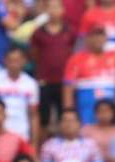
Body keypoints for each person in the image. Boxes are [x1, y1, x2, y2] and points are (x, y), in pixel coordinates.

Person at [29, 0, 75, 130]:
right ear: (46, 10)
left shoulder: (69, 31)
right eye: (51, 7)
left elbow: (72, 53)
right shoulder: (38, 33)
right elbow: (34, 55)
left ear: (62, 10)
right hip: (44, 80)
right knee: (44, 118)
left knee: (63, 116)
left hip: (64, 81)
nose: (54, 11)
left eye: (57, 7)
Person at [63, 25, 115, 126]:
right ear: (87, 39)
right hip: (86, 110)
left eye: (101, 35)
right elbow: (68, 89)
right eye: (94, 36)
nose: (98, 39)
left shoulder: (114, 58)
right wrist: (69, 113)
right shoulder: (76, 59)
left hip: (110, 112)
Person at [0, 45, 40, 146]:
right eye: (10, 60)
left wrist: (34, 144)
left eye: (17, 60)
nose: (14, 64)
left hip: (22, 135)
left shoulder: (31, 84)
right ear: (5, 61)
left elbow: (34, 115)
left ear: (24, 61)